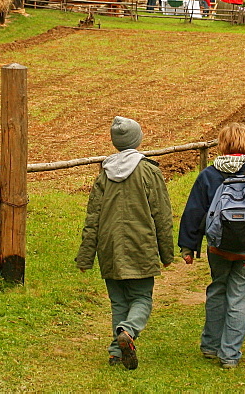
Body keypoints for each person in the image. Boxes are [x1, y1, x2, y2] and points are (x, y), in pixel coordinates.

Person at [177, 123, 245, 370]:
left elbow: (194, 212)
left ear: (221, 145)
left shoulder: (209, 175)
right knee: (241, 297)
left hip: (217, 248)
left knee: (218, 290)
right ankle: (230, 354)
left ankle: (210, 346)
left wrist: (188, 247)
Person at [76, 116, 174, 371]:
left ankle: (115, 352)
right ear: (137, 140)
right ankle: (128, 332)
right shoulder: (149, 171)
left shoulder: (104, 174)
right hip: (140, 245)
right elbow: (161, 215)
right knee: (142, 297)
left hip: (109, 247)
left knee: (119, 302)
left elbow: (93, 218)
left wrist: (86, 257)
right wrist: (167, 252)